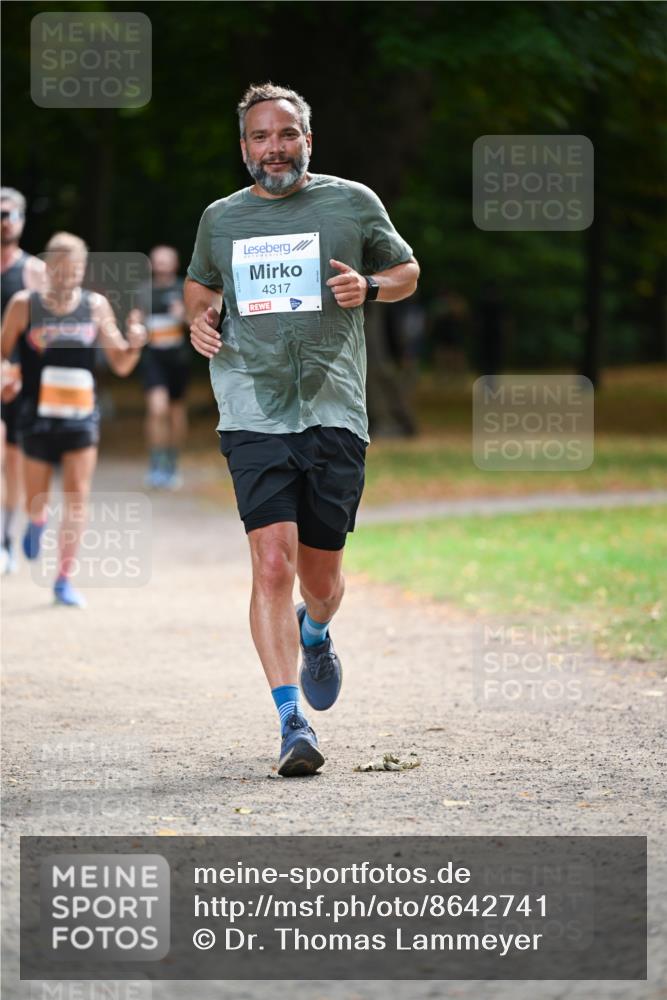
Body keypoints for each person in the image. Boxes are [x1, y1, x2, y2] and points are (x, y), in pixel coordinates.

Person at [186, 83, 419, 777]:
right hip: (251, 409)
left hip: (332, 408)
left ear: (307, 140)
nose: (274, 148)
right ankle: (292, 721)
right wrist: (199, 317)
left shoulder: (351, 202)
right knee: (270, 564)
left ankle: (314, 631)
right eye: (260, 137)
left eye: (286, 134)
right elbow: (200, 286)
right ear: (244, 148)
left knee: (320, 582)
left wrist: (370, 288)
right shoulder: (220, 219)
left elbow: (406, 270)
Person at [1, 232, 146, 607]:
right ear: (47, 268)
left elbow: (122, 364)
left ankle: (63, 579)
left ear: (84, 270)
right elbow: (3, 356)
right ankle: (35, 521)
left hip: (81, 418)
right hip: (36, 416)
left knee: (78, 499)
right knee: (37, 498)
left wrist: (134, 344)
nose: (67, 277)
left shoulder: (95, 306)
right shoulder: (23, 305)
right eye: (60, 270)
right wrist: (8, 378)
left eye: (75, 270)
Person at [0, 187, 46, 573]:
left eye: (9, 214)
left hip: (18, 380)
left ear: (21, 220)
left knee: (13, 460)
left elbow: (50, 331)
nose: (3, 221)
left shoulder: (34, 271)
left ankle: (7, 537)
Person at [139, 245, 190, 489]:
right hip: (153, 358)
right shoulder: (143, 292)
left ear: (175, 263)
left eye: (165, 261)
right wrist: (136, 327)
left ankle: (172, 462)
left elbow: (198, 321)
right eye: (156, 261)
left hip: (177, 359)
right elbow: (135, 323)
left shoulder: (183, 289)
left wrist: (184, 315)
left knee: (176, 412)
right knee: (157, 410)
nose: (160, 265)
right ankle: (156, 462)